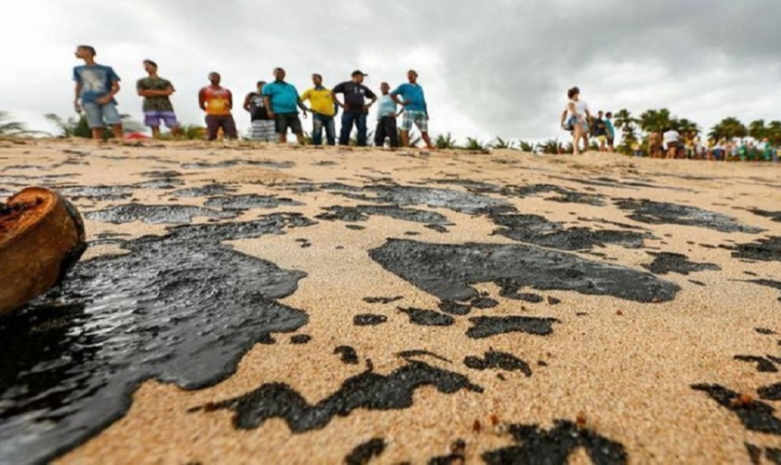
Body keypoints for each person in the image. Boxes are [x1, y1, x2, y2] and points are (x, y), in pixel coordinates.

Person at [73, 45, 123, 140]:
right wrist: (76, 100)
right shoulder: (77, 69)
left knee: (115, 120)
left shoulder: (106, 69)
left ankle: (120, 140)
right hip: (88, 99)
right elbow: (78, 86)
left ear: (88, 51)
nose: (76, 52)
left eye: (79, 50)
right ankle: (97, 144)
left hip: (106, 99)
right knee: (95, 124)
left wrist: (107, 97)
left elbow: (116, 87)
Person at [136, 59, 181, 139]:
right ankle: (157, 140)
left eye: (148, 65)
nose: (146, 67)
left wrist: (151, 92)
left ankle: (174, 139)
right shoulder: (142, 81)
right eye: (145, 66)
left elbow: (169, 92)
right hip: (150, 105)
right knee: (154, 126)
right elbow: (140, 93)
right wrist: (161, 92)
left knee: (173, 124)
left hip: (165, 105)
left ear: (155, 67)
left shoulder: (165, 81)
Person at [391, 70, 435, 150]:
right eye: (408, 75)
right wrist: (401, 102)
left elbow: (423, 101)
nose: (409, 76)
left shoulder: (420, 88)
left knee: (424, 130)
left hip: (421, 111)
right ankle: (406, 147)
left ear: (416, 76)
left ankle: (430, 146)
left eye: (411, 74)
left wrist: (426, 113)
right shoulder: (404, 86)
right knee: (405, 129)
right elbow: (392, 94)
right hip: (409, 110)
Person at [262, 67, 307, 144]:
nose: (280, 74)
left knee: (298, 129)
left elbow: (297, 99)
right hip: (279, 112)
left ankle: (302, 145)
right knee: (282, 131)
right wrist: (269, 110)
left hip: (293, 111)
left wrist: (303, 108)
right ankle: (283, 147)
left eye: (282, 73)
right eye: (278, 73)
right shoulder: (268, 86)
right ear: (274, 74)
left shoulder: (291, 87)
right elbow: (266, 99)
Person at [332, 70, 377, 146]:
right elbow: (332, 92)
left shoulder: (363, 87)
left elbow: (374, 97)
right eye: (361, 77)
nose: (363, 79)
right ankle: (343, 145)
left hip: (361, 111)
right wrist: (341, 104)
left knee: (362, 128)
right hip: (349, 110)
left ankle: (361, 146)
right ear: (355, 76)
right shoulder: (345, 84)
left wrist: (368, 105)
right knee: (346, 128)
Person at [198, 72, 238, 141]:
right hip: (212, 115)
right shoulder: (204, 90)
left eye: (217, 77)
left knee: (232, 134)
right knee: (212, 135)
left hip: (226, 115)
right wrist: (210, 110)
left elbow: (230, 104)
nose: (216, 79)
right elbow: (201, 104)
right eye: (214, 77)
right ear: (210, 78)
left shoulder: (226, 91)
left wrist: (225, 110)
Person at [300, 74, 336, 146]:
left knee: (331, 133)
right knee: (317, 132)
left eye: (316, 78)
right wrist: (305, 108)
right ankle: (317, 149)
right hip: (317, 114)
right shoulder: (310, 91)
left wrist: (336, 112)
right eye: (313, 79)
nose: (314, 80)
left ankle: (332, 149)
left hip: (329, 115)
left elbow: (336, 102)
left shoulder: (329, 91)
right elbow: (299, 100)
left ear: (321, 79)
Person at [560, 87, 590, 155]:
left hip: (583, 119)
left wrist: (589, 119)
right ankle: (576, 152)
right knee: (578, 134)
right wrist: (562, 123)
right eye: (575, 93)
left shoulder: (583, 102)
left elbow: (587, 111)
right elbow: (565, 113)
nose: (577, 94)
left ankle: (587, 152)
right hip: (574, 119)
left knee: (585, 136)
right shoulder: (569, 102)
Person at [374, 82, 402, 148]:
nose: (383, 88)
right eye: (382, 87)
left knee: (392, 135)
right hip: (381, 119)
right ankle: (378, 151)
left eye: (385, 87)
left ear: (388, 88)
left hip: (389, 118)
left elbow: (403, 104)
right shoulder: (380, 98)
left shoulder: (392, 96)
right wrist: (378, 117)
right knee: (378, 136)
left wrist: (398, 113)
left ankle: (394, 150)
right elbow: (380, 108)